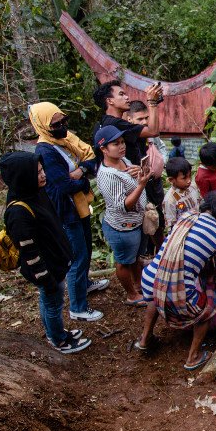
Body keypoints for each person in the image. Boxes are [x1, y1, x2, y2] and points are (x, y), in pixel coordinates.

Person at [0, 152, 91, 353]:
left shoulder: (35, 193)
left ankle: (53, 331)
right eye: (37, 172)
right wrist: (45, 278)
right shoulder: (18, 212)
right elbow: (29, 252)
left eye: (42, 170)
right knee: (53, 302)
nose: (43, 175)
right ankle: (59, 340)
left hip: (55, 263)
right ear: (23, 176)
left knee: (50, 301)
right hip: (46, 269)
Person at [133, 191, 216, 370]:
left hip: (149, 280)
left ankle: (145, 339)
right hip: (175, 294)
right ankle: (193, 356)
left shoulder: (186, 216)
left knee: (156, 291)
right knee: (210, 302)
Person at [29, 103, 107, 323]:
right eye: (56, 124)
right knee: (77, 257)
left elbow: (91, 158)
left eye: (63, 121)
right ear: (43, 126)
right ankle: (78, 307)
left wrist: (80, 171)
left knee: (86, 249)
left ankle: (84, 285)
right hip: (66, 210)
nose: (62, 126)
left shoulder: (64, 141)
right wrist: (83, 177)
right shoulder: (45, 150)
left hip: (79, 205)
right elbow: (63, 185)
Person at [94, 125, 154, 306]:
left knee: (135, 257)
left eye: (122, 142)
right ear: (103, 149)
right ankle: (131, 295)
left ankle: (138, 285)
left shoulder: (122, 160)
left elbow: (131, 179)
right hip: (123, 226)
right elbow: (123, 206)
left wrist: (138, 171)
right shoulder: (107, 175)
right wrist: (141, 184)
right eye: (115, 144)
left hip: (135, 223)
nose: (121, 146)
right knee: (123, 262)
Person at [126, 100, 166, 255]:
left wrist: (160, 162)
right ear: (129, 120)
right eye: (139, 120)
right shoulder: (128, 139)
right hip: (140, 186)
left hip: (155, 183)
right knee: (145, 221)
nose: (144, 123)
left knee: (158, 220)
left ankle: (159, 253)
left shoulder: (150, 134)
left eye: (145, 118)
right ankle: (147, 253)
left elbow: (162, 148)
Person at [91, 80, 163, 165]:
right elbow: (153, 131)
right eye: (121, 94)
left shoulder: (104, 122)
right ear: (110, 101)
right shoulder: (115, 124)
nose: (127, 97)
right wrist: (152, 102)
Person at [163, 157, 201, 233]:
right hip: (183, 233)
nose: (189, 181)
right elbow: (171, 225)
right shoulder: (170, 200)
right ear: (171, 180)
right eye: (184, 178)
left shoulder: (192, 187)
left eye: (190, 175)